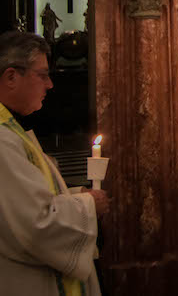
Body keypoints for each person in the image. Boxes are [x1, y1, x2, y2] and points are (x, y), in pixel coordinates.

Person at [0, 31, 107, 296]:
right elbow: (36, 225)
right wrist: (89, 205)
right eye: (43, 75)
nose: (50, 85)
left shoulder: (10, 129)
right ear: (12, 77)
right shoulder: (2, 141)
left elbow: (21, 204)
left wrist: (72, 195)